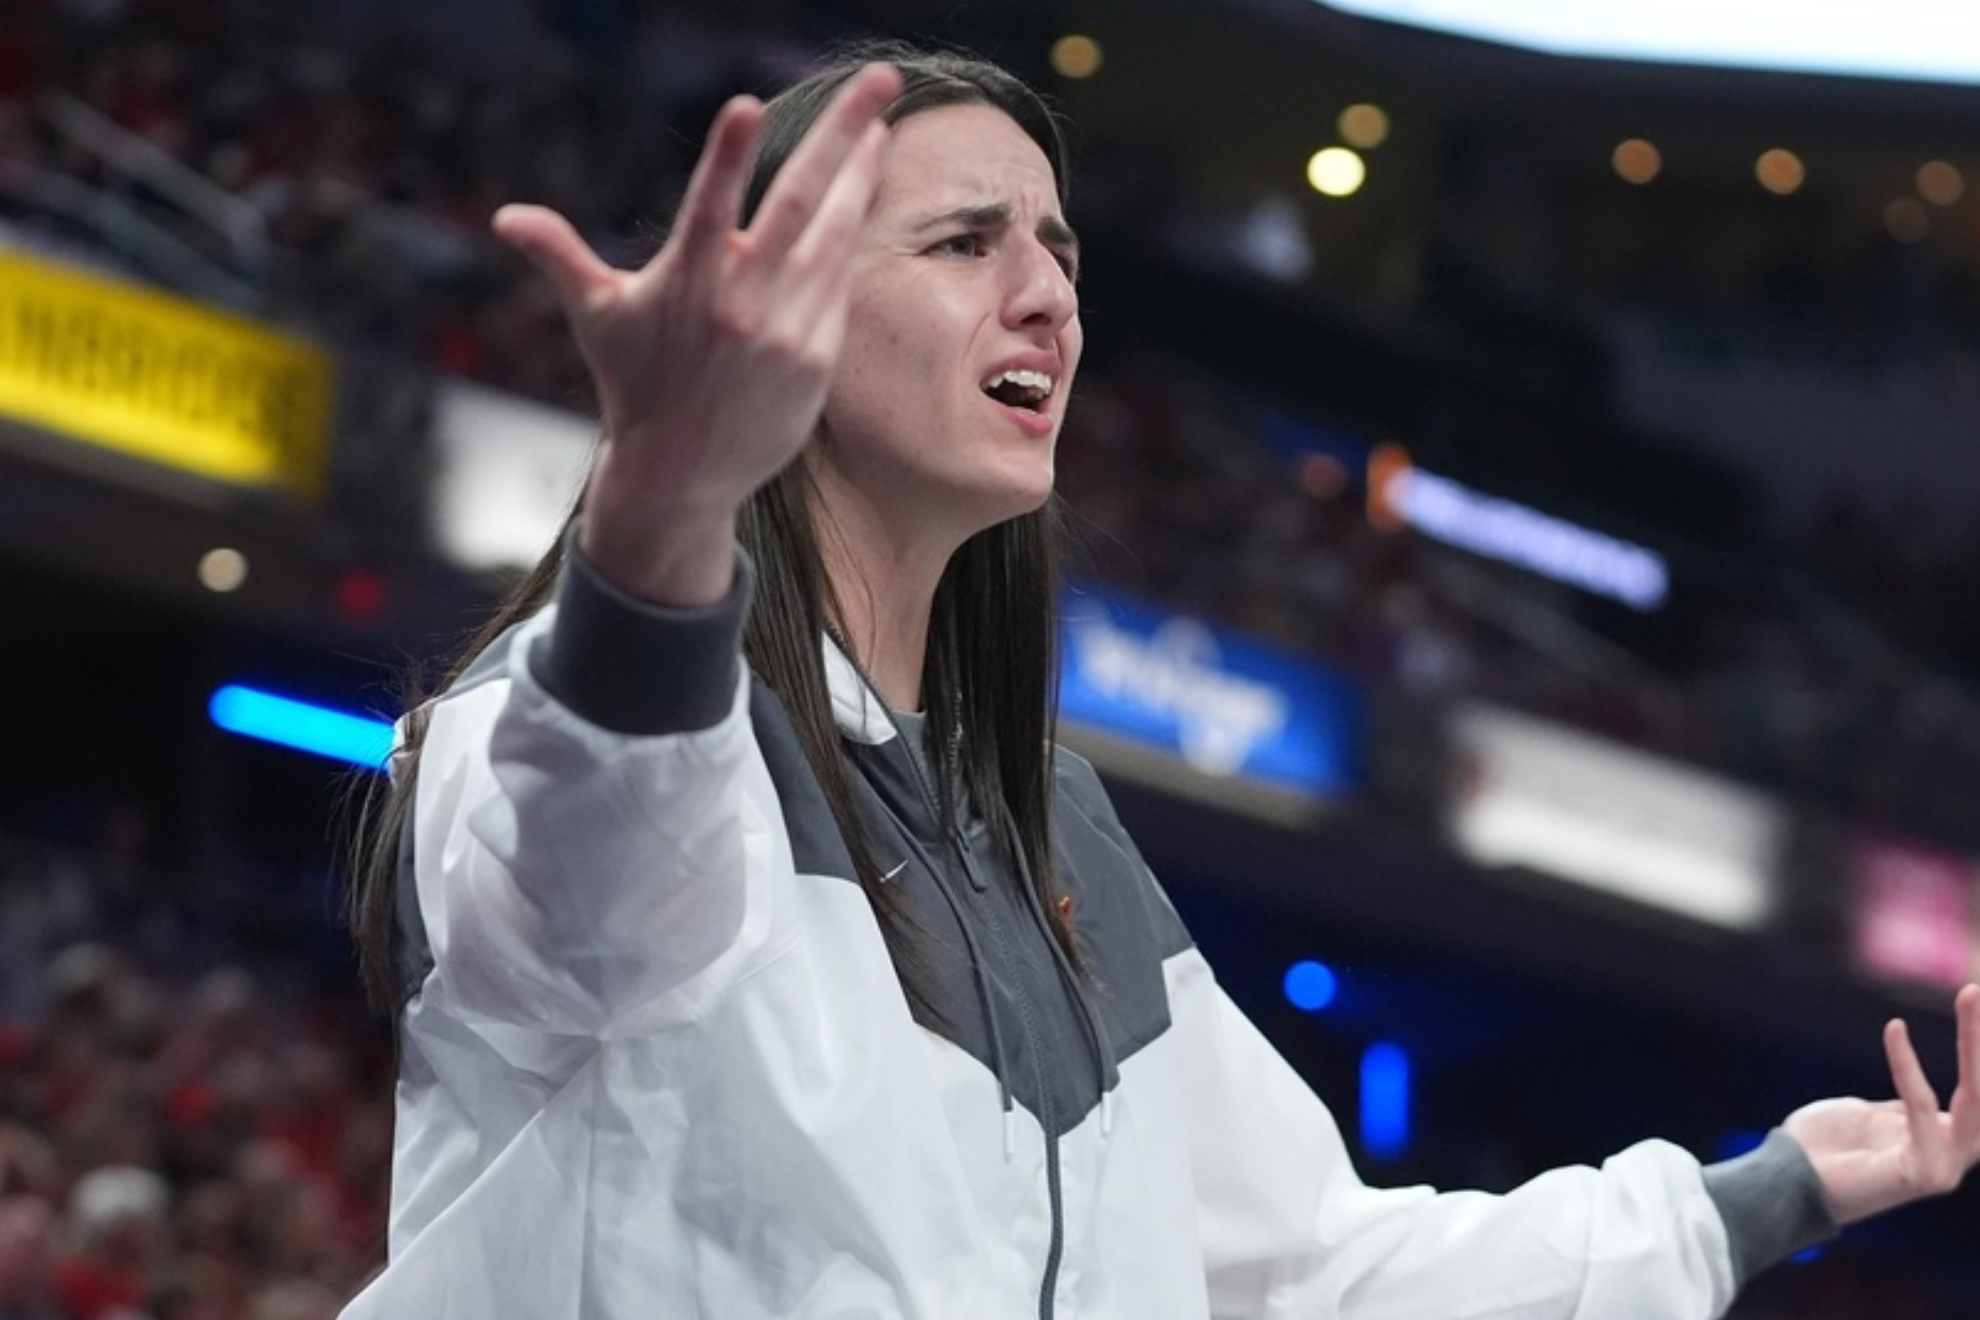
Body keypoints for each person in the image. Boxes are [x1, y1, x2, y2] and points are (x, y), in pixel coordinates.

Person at [336, 39, 1980, 1319]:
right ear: (788, 319)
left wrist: (1769, 1191)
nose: (1047, 290)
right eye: (968, 240)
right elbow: (603, 866)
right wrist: (668, 496)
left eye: (1056, 245)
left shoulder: (1046, 833)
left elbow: (1325, 1279)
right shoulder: (544, 741)